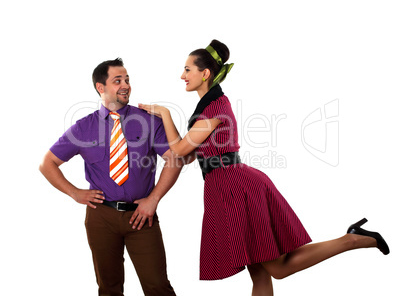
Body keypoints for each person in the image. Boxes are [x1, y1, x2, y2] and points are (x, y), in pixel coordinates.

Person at [139, 40, 390, 295]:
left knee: (277, 269)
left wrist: (166, 114)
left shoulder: (215, 108)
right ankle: (354, 237)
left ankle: (352, 239)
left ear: (204, 73)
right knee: (259, 274)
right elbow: (188, 157)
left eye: (187, 69)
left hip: (235, 187)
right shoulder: (206, 106)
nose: (182, 75)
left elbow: (180, 150)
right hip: (225, 186)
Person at [39, 58, 182, 296]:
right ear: (100, 87)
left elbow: (175, 159)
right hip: (100, 218)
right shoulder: (83, 127)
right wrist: (75, 193)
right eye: (118, 81)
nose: (125, 85)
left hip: (141, 216)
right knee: (108, 288)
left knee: (158, 286)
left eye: (127, 80)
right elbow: (48, 163)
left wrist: (153, 199)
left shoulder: (149, 120)